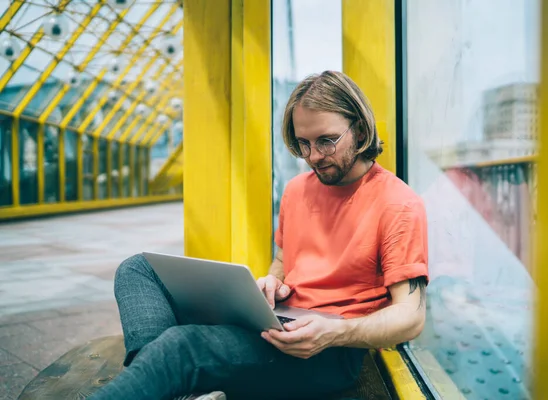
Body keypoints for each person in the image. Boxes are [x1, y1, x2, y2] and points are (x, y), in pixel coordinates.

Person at [89, 71, 428, 400]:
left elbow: (410, 317)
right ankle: (172, 386)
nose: (313, 157)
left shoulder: (397, 204)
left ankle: (162, 380)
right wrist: (270, 283)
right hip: (276, 320)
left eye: (327, 141)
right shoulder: (297, 191)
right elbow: (284, 259)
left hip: (328, 351)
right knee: (137, 269)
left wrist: (337, 332)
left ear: (360, 127)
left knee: (180, 347)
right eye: (302, 143)